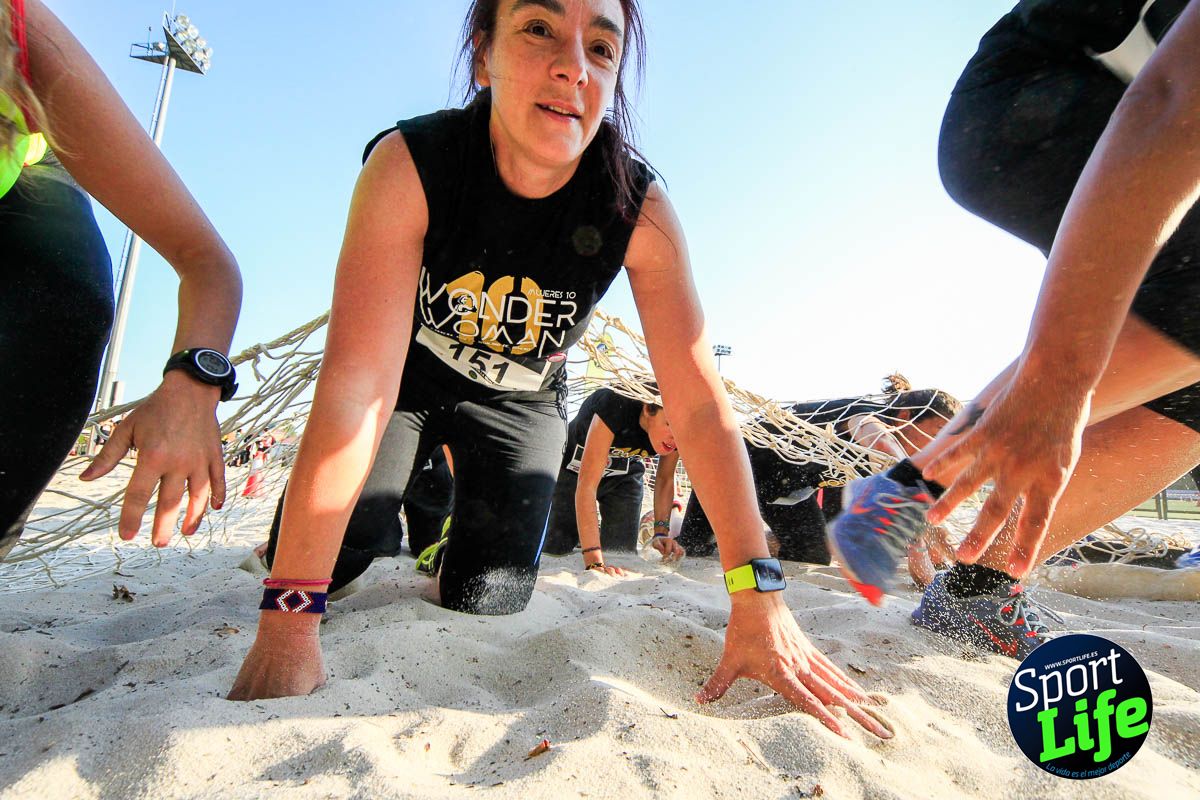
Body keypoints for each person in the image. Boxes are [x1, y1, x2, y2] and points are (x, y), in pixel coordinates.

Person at [228, 0, 890, 739]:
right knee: (336, 560)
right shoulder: (412, 163)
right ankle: (306, 535)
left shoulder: (637, 206)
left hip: (521, 399)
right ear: (484, 54)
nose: (573, 66)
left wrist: (759, 596)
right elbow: (356, 387)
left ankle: (446, 544)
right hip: (409, 380)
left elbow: (700, 405)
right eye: (539, 29)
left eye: (601, 48)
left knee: (490, 596)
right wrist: (288, 623)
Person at [829, 0, 1200, 658]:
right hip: (1029, 97)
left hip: (1087, 113)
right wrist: (1061, 379)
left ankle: (977, 587)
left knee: (1190, 391)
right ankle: (904, 493)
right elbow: (1172, 100)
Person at [0, 0, 242, 559]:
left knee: (66, 303)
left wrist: (192, 383)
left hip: (27, 193)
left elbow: (206, 261)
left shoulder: (26, 39)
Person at [679, 377, 959, 575]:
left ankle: (762, 540)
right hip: (733, 468)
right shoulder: (866, 415)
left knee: (813, 554)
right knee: (693, 547)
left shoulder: (869, 465)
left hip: (786, 491)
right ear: (905, 416)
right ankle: (687, 527)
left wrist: (942, 555)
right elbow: (877, 439)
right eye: (937, 433)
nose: (938, 445)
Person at [542, 385, 680, 573]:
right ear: (648, 409)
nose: (676, 437)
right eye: (670, 424)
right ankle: (585, 538)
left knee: (620, 553)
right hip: (573, 471)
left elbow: (664, 479)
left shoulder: (679, 433)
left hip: (623, 477)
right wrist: (594, 562)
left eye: (682, 428)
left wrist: (661, 533)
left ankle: (599, 534)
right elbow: (587, 485)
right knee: (556, 546)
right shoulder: (615, 404)